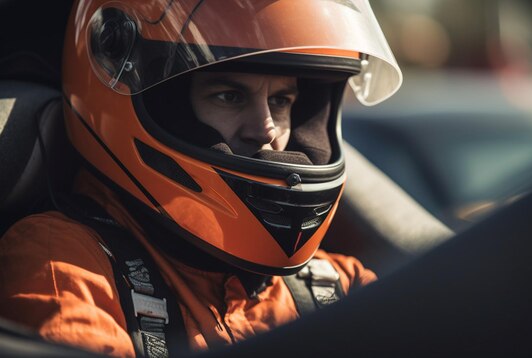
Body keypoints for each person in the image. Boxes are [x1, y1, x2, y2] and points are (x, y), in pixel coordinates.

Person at [0, 0, 402, 356]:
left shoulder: (338, 283)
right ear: (160, 104)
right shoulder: (67, 263)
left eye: (280, 101)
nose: (265, 131)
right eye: (229, 96)